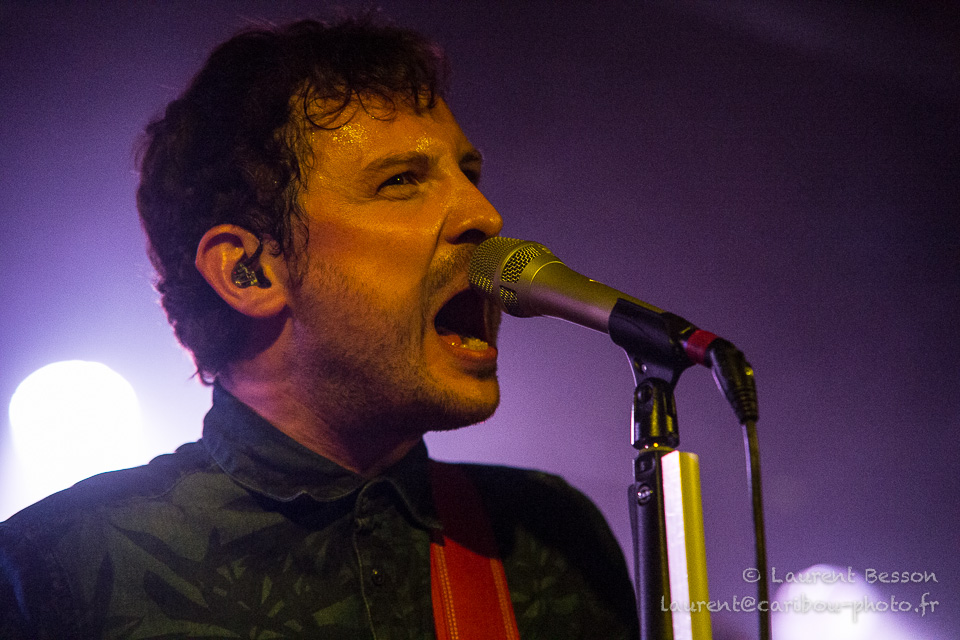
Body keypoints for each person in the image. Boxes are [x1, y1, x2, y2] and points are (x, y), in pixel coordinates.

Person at [0, 16, 638, 639]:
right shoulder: (61, 569)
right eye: (401, 181)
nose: (485, 216)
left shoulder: (544, 540)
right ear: (250, 272)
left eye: (468, 175)